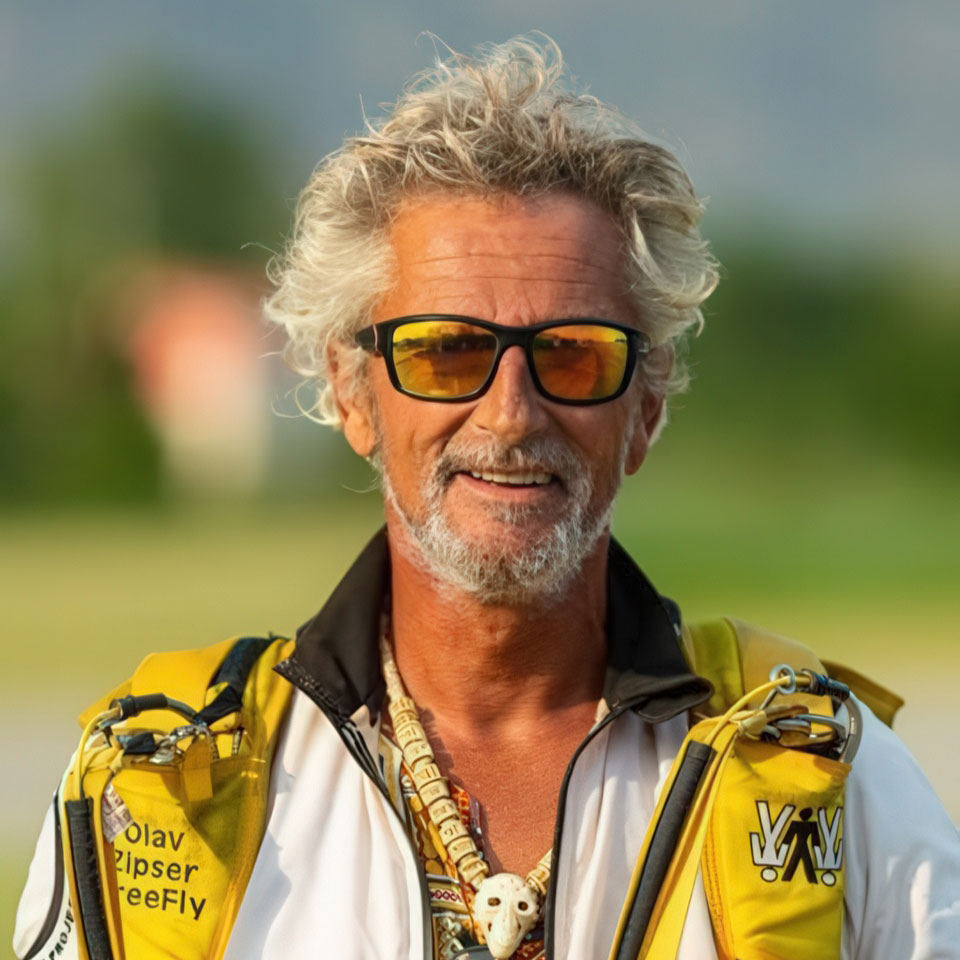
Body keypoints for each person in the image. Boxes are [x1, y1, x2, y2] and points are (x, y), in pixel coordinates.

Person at [13, 35, 960, 960]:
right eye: (446, 352)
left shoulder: (828, 775)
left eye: (573, 354)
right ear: (352, 389)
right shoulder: (157, 794)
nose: (510, 415)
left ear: (648, 406)